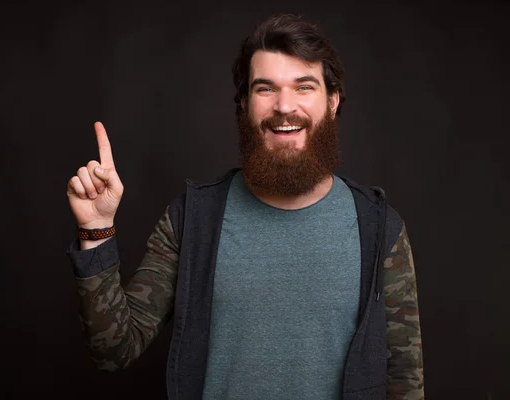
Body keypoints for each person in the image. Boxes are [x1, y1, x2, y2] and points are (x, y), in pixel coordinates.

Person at [65, 13, 424, 400]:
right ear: (243, 104)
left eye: (304, 87)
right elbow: (114, 350)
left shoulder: (378, 227)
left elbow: (404, 378)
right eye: (265, 89)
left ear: (332, 101)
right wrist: (97, 230)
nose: (284, 107)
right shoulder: (192, 220)